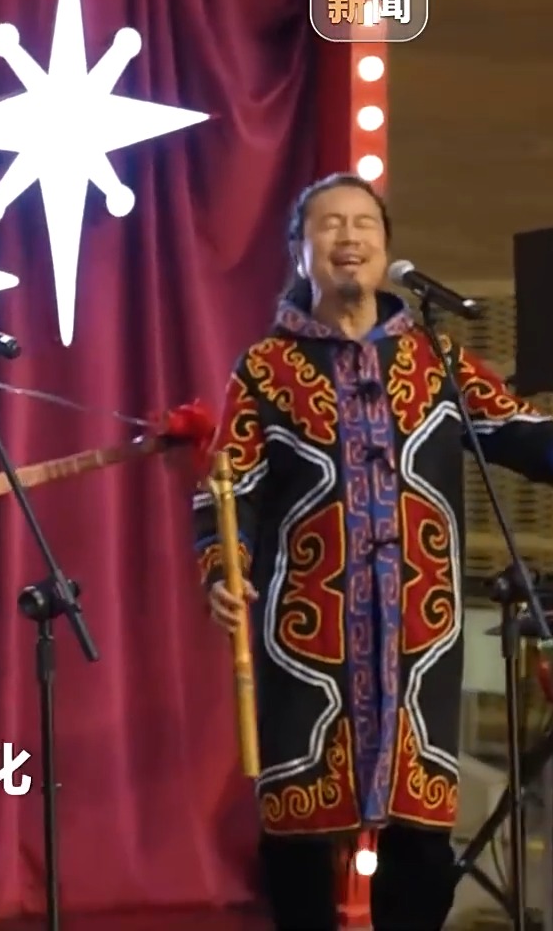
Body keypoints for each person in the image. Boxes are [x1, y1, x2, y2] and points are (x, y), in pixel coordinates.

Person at [195, 173, 553, 931]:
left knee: (421, 853)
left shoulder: (437, 360)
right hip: (307, 643)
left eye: (364, 224)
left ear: (387, 248)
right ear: (300, 251)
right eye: (329, 224)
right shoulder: (266, 369)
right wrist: (223, 570)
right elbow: (228, 491)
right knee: (297, 847)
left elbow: (524, 436)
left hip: (419, 640)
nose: (349, 237)